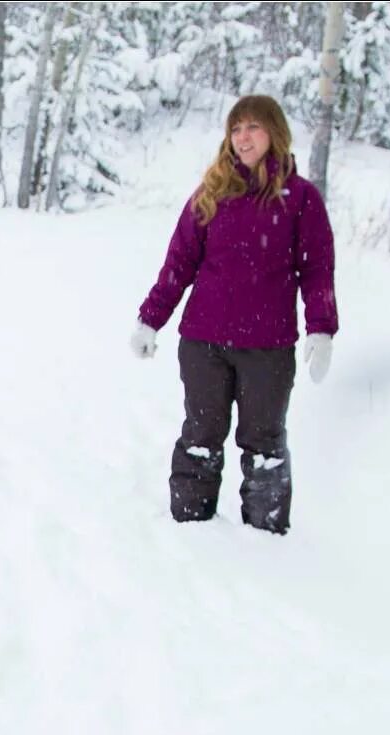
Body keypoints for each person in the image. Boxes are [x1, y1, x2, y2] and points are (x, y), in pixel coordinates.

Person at [131, 95, 339, 535]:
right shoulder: (212, 193)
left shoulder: (300, 198)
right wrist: (151, 318)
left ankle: (265, 541)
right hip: (204, 342)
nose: (243, 138)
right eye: (236, 128)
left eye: (254, 127)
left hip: (268, 347)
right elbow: (179, 262)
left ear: (274, 133)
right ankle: (191, 530)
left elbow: (317, 270)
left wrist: (321, 330)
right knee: (201, 436)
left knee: (263, 443)